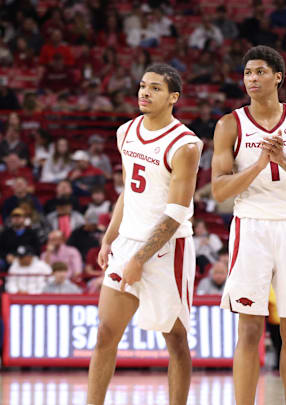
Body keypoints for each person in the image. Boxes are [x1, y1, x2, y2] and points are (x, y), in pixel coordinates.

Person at [211, 45, 286, 405]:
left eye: (260, 71)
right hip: (251, 226)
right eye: (247, 73)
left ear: (278, 76)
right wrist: (260, 163)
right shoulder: (229, 124)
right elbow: (218, 190)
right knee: (249, 328)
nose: (252, 79)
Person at [87, 63, 202, 405]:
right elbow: (128, 191)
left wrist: (140, 258)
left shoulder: (186, 144)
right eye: (142, 86)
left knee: (176, 340)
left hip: (169, 249)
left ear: (173, 98)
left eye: (154, 88)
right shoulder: (126, 131)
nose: (144, 93)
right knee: (106, 333)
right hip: (128, 243)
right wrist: (110, 237)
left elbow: (176, 213)